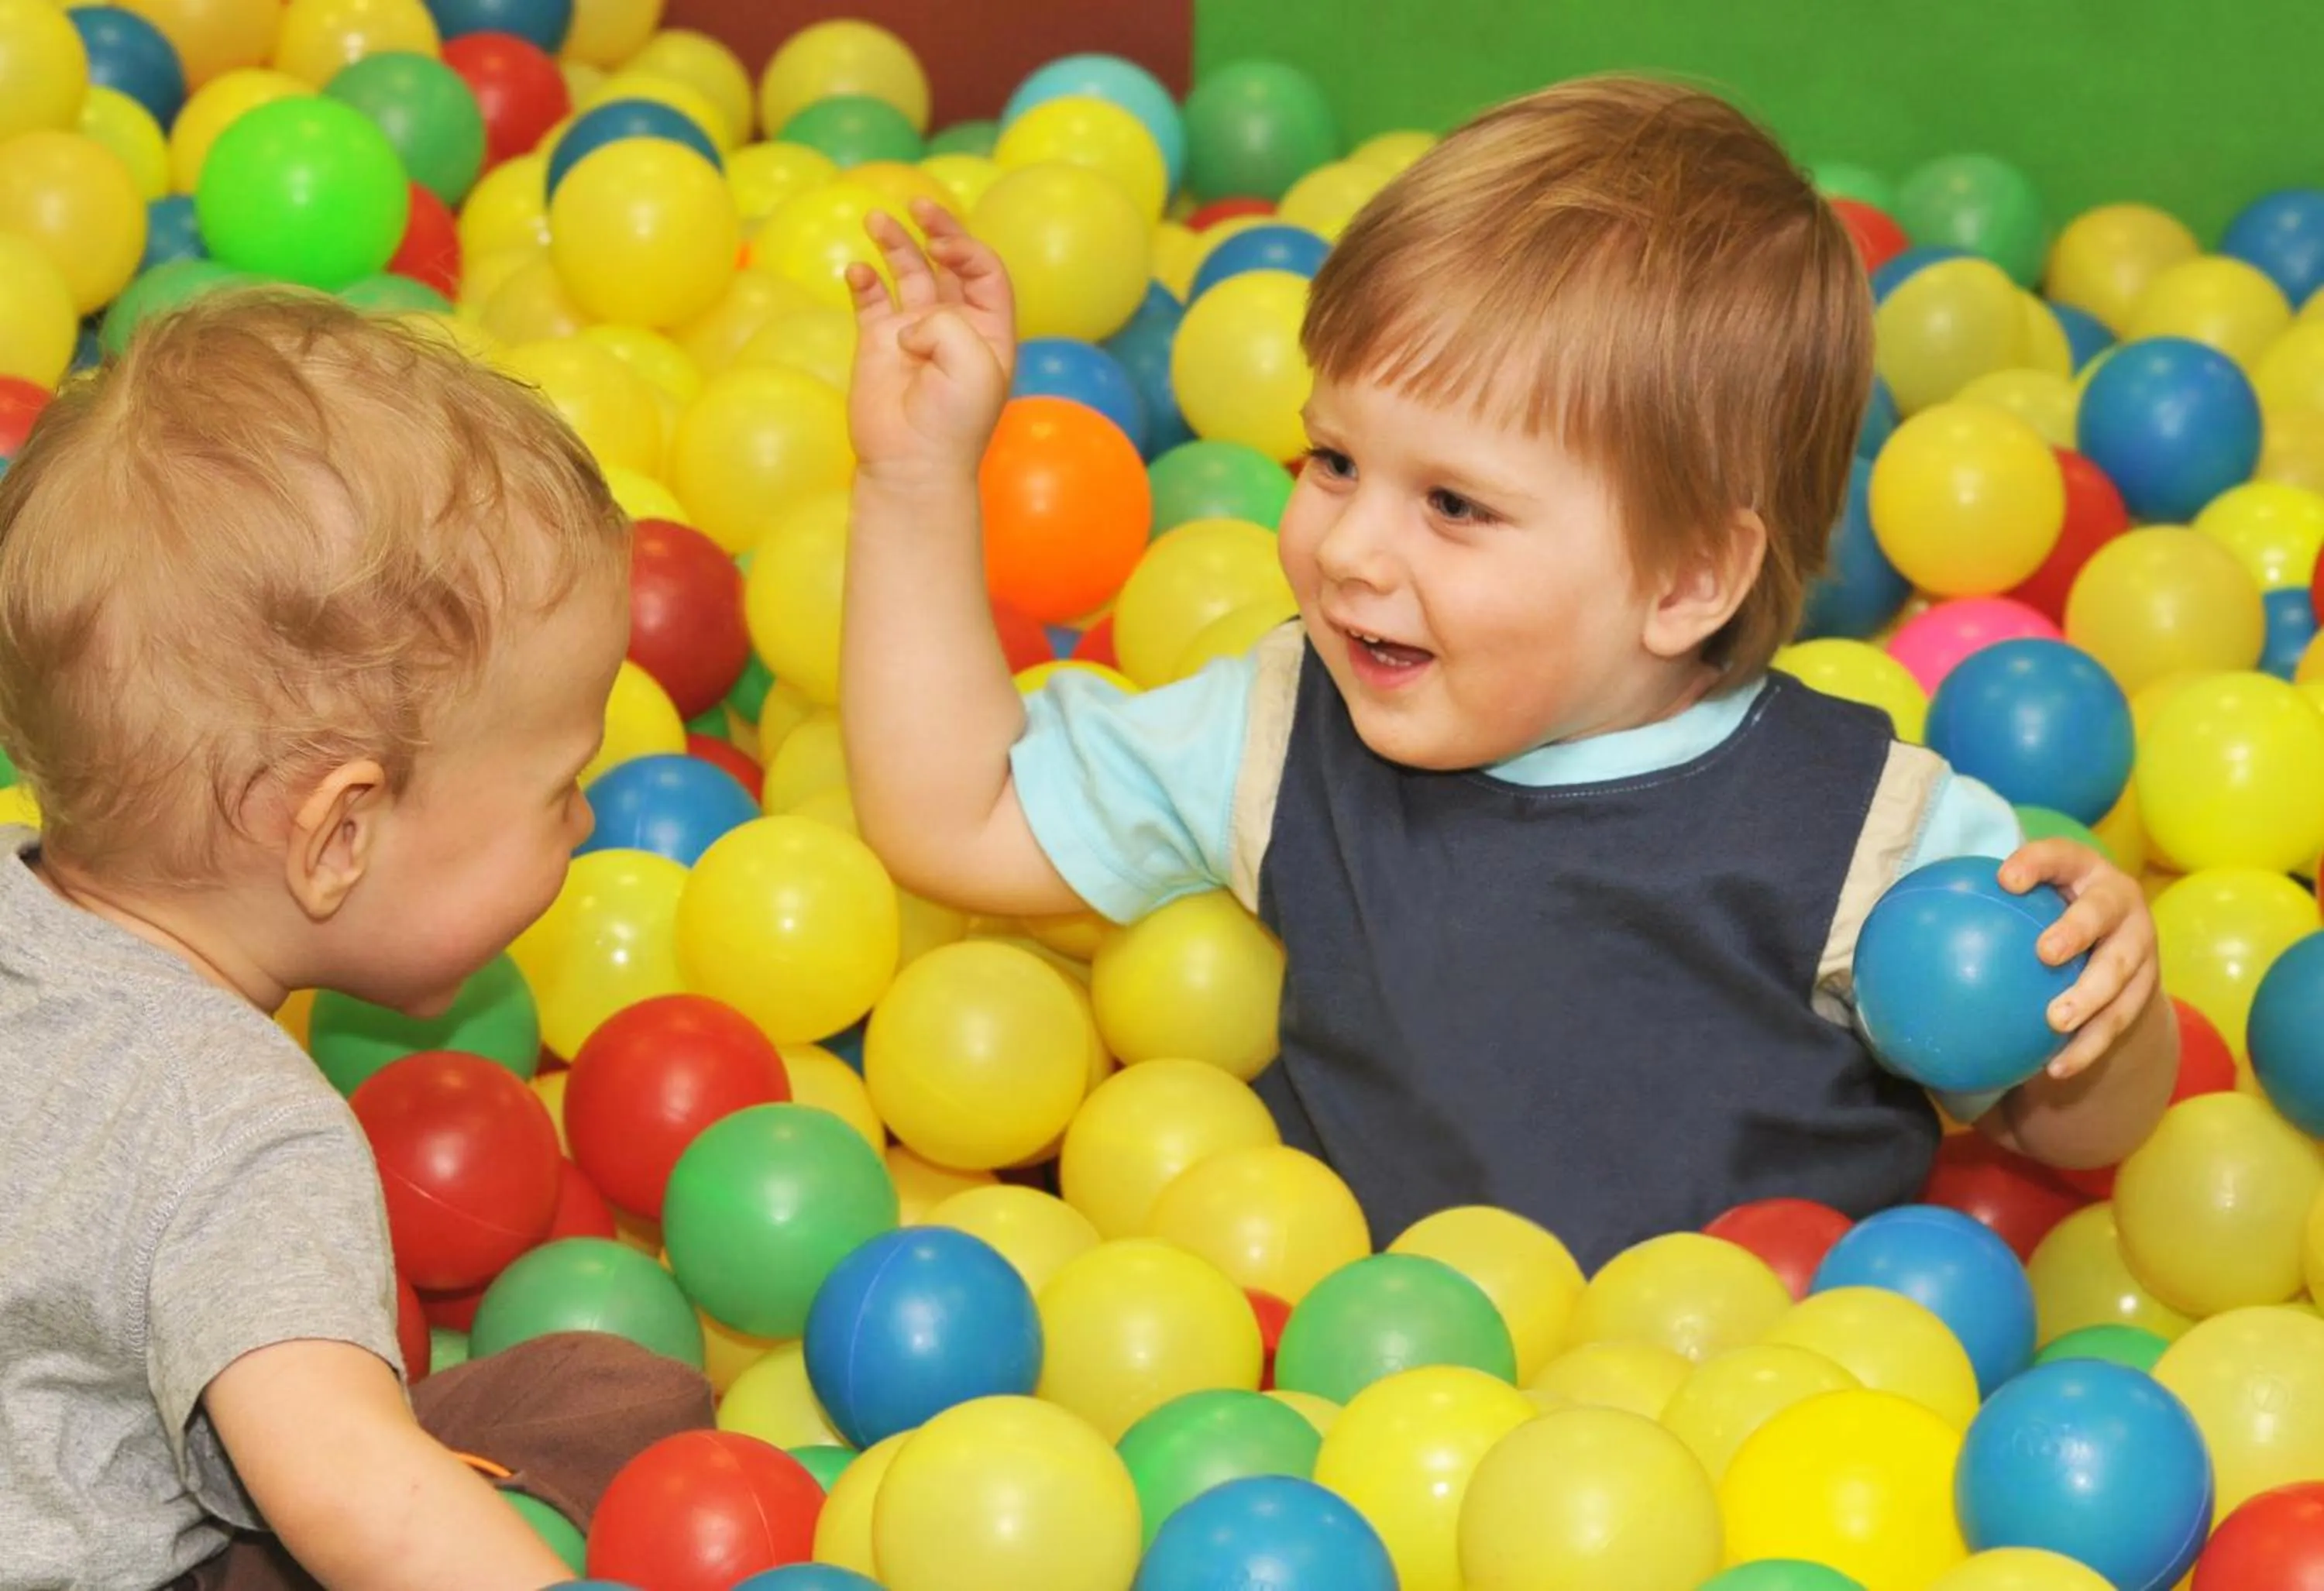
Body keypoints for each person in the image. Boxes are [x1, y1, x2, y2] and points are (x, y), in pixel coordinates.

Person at [837, 75, 2175, 1271]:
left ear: (1685, 581)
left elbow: (2080, 1125)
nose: (1351, 547)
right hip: (1362, 1447)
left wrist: (2110, 1004)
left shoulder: (1861, 827)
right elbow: (956, 815)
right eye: (1335, 460)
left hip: (1757, 1468)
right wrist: (912, 481)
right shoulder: (1286, 726)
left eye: (1456, 506)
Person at [0, 293, 711, 1591]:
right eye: (558, 785)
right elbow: (353, 1498)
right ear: (339, 836)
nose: (591, 814)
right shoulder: (241, 1127)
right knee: (609, 1398)